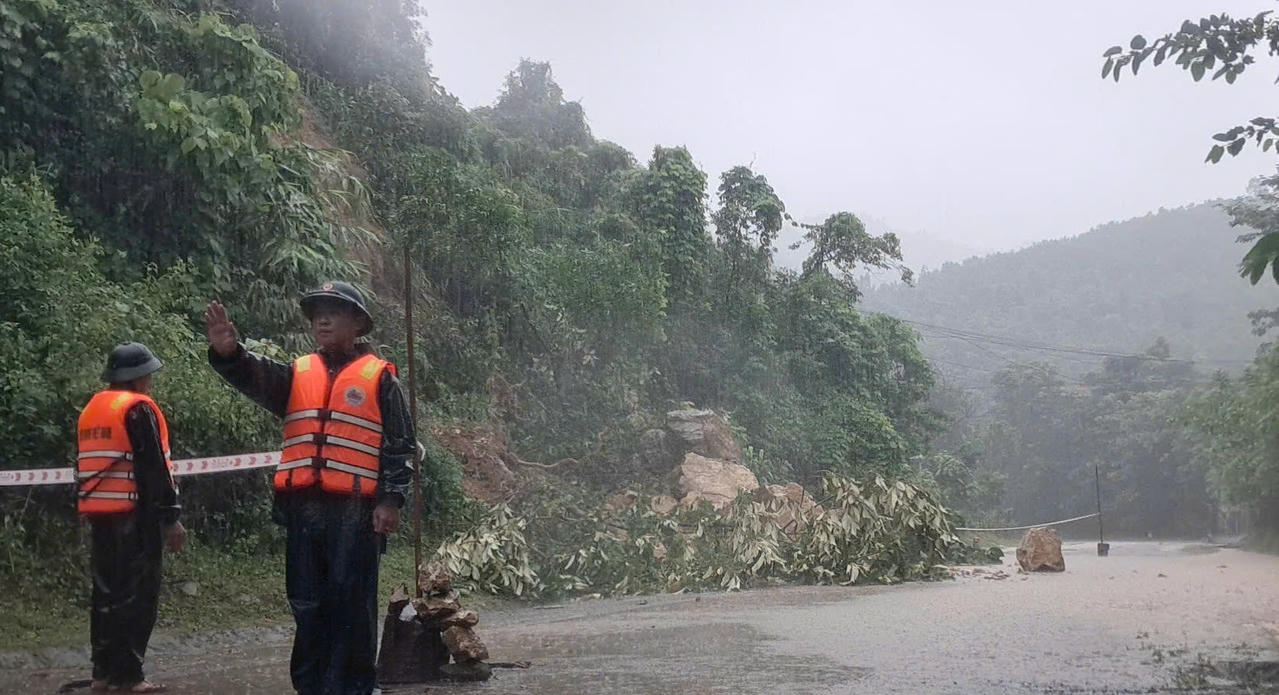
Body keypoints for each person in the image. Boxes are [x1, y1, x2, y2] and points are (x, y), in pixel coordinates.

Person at [204, 281, 414, 695]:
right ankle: (312, 687)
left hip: (355, 511)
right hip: (304, 509)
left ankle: (352, 688)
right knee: (307, 602)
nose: (322, 319)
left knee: (351, 603)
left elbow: (400, 445)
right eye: (317, 311)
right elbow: (256, 375)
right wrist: (230, 353)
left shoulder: (380, 379)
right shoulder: (298, 373)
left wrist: (390, 500)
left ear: (358, 323)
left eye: (334, 311)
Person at [77, 342, 185, 694]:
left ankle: (102, 675)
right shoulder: (139, 409)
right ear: (138, 378)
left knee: (105, 596)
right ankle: (131, 677)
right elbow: (154, 469)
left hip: (100, 517)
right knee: (137, 597)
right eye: (148, 375)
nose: (150, 382)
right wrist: (171, 518)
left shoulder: (92, 409)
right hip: (136, 517)